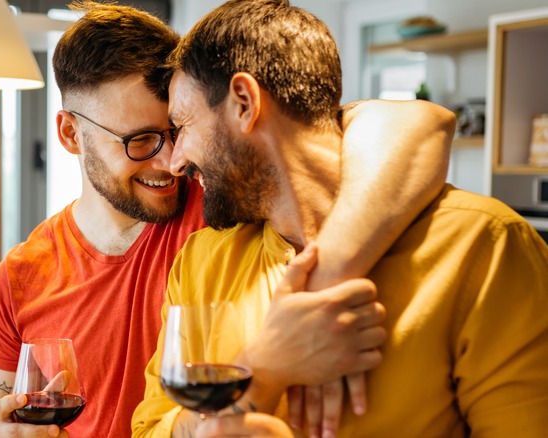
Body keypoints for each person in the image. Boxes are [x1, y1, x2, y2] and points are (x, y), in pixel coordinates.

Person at [0, 2, 457, 437]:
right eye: (140, 140)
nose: (172, 161)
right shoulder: (20, 277)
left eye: (177, 130)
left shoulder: (223, 204)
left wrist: (328, 274)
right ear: (70, 134)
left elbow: (414, 124)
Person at [132, 1, 548, 437]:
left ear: (243, 102)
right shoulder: (202, 262)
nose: (175, 162)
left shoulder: (484, 245)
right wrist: (259, 375)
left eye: (182, 126)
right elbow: (148, 430)